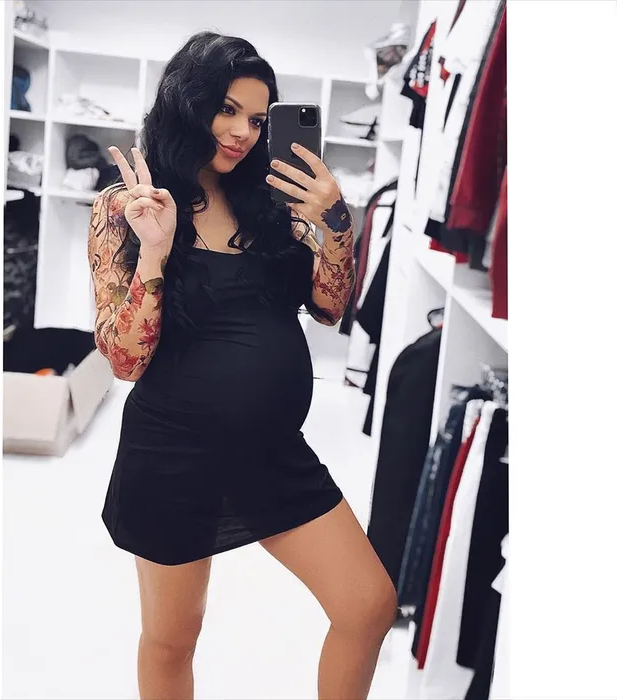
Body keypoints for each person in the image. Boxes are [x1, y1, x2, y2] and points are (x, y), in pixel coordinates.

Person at [87, 31, 397, 700]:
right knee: (172, 639)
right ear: (187, 102)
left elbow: (328, 309)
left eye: (257, 119)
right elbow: (124, 360)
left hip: (271, 453)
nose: (242, 132)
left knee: (369, 604)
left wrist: (336, 225)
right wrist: (154, 251)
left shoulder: (274, 203)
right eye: (226, 109)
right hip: (171, 455)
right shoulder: (128, 205)